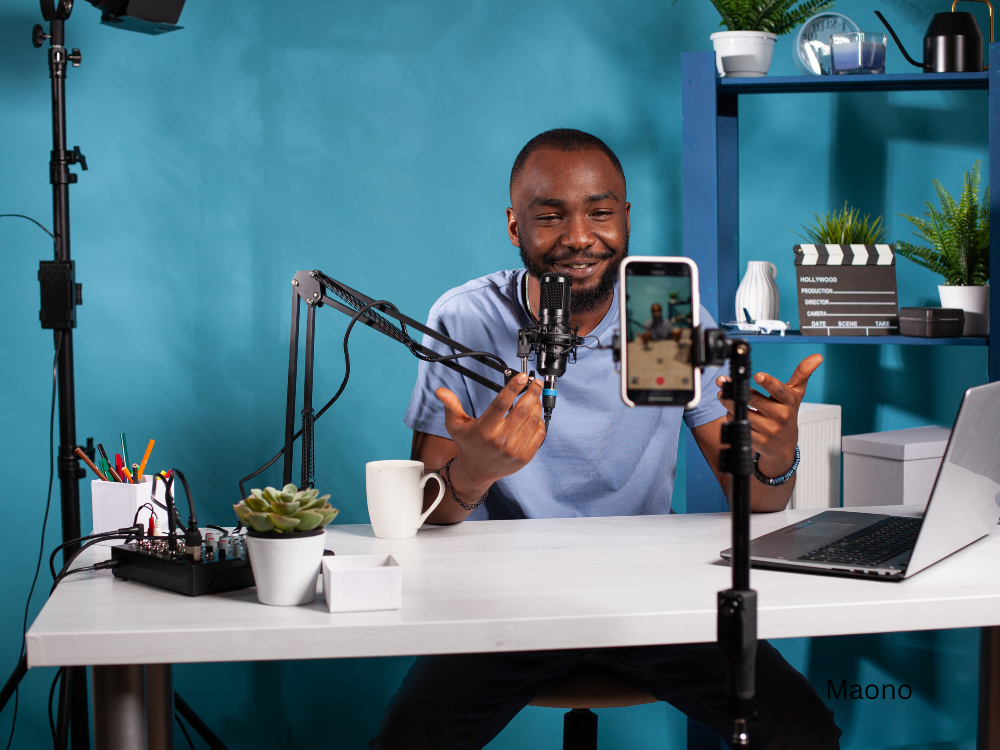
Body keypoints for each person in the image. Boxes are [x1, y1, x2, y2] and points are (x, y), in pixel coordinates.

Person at [371, 129, 837, 749]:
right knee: (408, 743)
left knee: (801, 733)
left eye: (600, 212)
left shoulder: (662, 317)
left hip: (653, 597)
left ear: (625, 220)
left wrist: (775, 459)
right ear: (515, 227)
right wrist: (474, 473)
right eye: (550, 216)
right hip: (500, 602)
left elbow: (756, 502)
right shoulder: (467, 319)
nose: (580, 238)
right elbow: (425, 518)